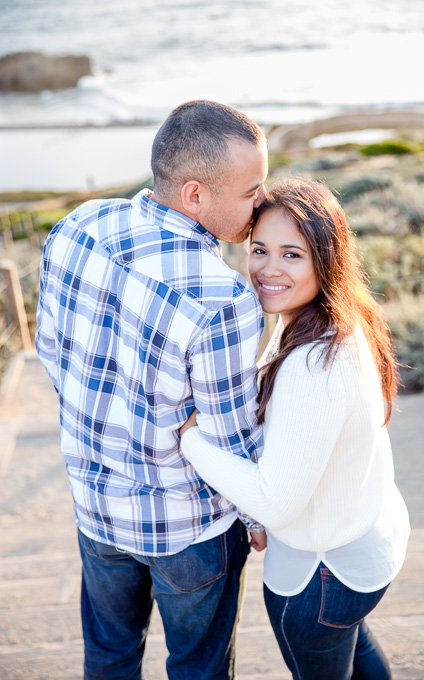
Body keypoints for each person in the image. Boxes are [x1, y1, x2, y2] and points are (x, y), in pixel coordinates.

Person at [35, 100, 268, 680]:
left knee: (110, 658)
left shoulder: (77, 225)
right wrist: (259, 516)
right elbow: (230, 436)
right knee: (198, 668)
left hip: (95, 506)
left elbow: (49, 348)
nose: (262, 203)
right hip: (188, 529)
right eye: (251, 190)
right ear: (194, 195)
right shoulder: (224, 298)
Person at [180, 178, 411, 680]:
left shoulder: (315, 364)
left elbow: (275, 502)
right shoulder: (341, 319)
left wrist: (190, 440)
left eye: (292, 254)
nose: (268, 268)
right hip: (365, 540)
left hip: (325, 574)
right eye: (259, 249)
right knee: (356, 650)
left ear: (326, 260)